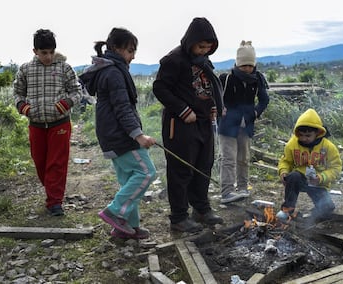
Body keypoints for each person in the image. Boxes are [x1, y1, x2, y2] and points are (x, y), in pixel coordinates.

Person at [79, 27, 156, 239]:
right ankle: (114, 212)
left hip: (110, 136)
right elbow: (122, 107)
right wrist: (138, 135)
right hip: (120, 136)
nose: (133, 56)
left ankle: (127, 227)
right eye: (130, 50)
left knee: (130, 179)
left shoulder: (108, 70)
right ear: (115, 48)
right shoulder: (114, 73)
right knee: (146, 173)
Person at [153, 17, 224, 233]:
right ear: (190, 41)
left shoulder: (204, 62)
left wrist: (213, 106)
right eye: (200, 46)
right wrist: (184, 110)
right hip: (181, 124)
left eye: (208, 47)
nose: (204, 51)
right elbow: (160, 88)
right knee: (181, 170)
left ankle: (201, 209)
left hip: (203, 123)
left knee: (203, 166)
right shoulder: (174, 60)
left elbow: (207, 88)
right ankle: (179, 217)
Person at [13, 29, 82, 216]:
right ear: (35, 51)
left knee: (57, 163)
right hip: (36, 125)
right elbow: (17, 93)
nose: (49, 56)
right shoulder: (25, 69)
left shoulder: (64, 68)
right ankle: (52, 189)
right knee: (40, 162)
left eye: (51, 52)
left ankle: (55, 202)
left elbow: (77, 92)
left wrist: (64, 104)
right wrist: (23, 108)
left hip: (59, 123)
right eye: (44, 53)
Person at [218, 40, 270, 204]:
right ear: (237, 64)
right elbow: (216, 97)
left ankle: (242, 188)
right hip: (227, 125)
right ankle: (227, 192)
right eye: (244, 66)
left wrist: (256, 112)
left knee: (244, 158)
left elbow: (264, 99)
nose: (247, 69)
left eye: (250, 65)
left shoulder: (258, 79)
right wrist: (221, 108)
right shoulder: (226, 79)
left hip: (246, 124)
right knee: (228, 158)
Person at [277, 108, 342, 223]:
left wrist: (321, 178)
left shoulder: (328, 147)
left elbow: (336, 168)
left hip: (318, 182)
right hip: (300, 179)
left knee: (327, 209)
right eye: (301, 135)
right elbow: (286, 161)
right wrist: (283, 172)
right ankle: (287, 210)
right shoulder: (292, 144)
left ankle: (312, 216)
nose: (303, 138)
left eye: (308, 135)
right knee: (293, 176)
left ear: (317, 133)